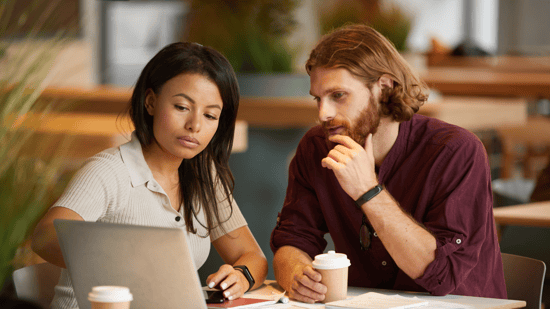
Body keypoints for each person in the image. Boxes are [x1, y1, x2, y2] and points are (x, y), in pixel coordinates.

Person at [270, 24, 506, 303]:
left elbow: (441, 275)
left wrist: (368, 191)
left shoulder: (456, 152)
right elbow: (292, 240)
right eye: (317, 99)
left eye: (338, 96)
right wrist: (296, 272)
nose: (324, 114)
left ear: (383, 87)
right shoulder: (315, 149)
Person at [31, 42, 268, 308]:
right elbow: (44, 237)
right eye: (181, 107)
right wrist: (127, 260)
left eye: (211, 115)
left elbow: (252, 257)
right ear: (151, 101)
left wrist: (240, 276)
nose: (195, 125)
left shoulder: (205, 177)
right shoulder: (109, 171)